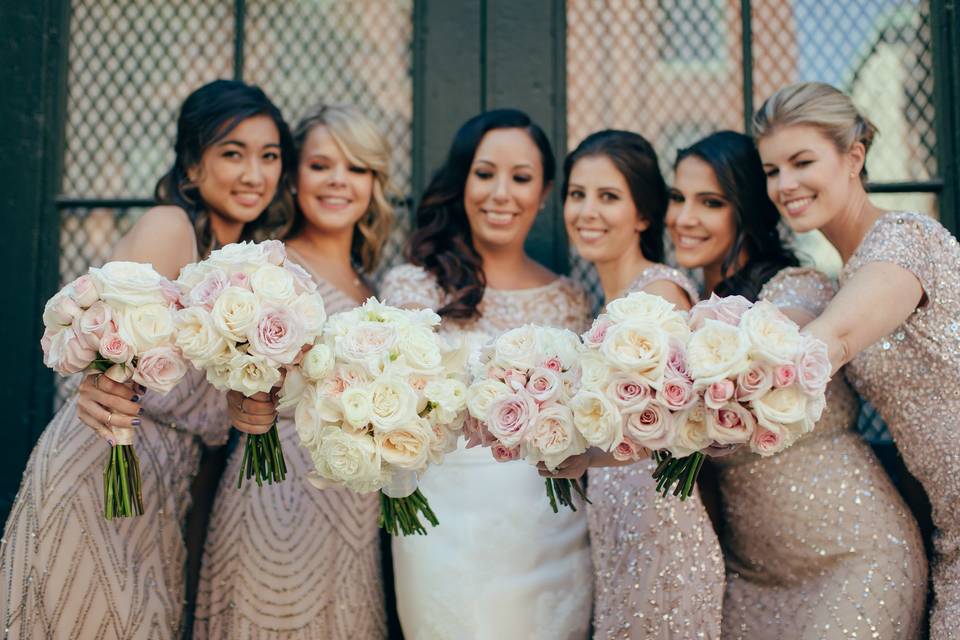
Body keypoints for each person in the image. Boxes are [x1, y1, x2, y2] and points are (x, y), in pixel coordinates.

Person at [1, 79, 294, 639]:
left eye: (269, 155)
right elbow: (109, 355)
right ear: (191, 166)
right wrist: (98, 385)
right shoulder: (170, 226)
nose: (255, 174)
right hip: (105, 466)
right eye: (232, 153)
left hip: (165, 493)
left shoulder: (255, 272)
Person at [668, 129, 927, 639]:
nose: (684, 218)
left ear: (746, 210)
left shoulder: (798, 286)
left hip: (858, 559)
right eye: (678, 198)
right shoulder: (678, 306)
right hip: (749, 578)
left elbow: (777, 341)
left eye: (711, 202)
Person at [755, 81, 959, 638]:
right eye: (773, 170)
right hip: (952, 529)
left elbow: (835, 340)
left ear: (853, 157)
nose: (786, 184)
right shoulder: (837, 278)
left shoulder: (905, 240)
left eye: (802, 162)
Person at [381, 109, 593, 639]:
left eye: (521, 178)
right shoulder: (415, 289)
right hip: (443, 535)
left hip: (551, 534)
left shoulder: (570, 298)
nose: (501, 192)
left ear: (544, 193)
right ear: (462, 183)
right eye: (484, 173)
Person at [193, 103, 396, 639]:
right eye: (321, 165)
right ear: (295, 178)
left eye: (356, 168)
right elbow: (222, 387)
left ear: (374, 183)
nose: (338, 181)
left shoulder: (375, 285)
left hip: (356, 513)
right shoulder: (266, 272)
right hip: (274, 492)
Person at [549, 129, 724, 639]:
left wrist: (587, 458)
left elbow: (685, 425)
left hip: (663, 535)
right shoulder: (600, 301)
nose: (587, 211)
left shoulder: (661, 295)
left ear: (643, 215)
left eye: (608, 197)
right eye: (577, 195)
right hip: (617, 535)